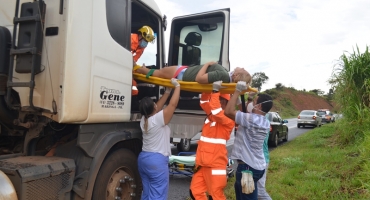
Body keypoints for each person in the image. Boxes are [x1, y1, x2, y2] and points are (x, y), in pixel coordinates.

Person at [224, 81, 273, 200]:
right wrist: (250, 99)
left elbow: (228, 111)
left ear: (259, 106)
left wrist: (237, 91)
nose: (252, 104)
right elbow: (246, 112)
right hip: (257, 167)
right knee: (246, 195)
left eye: (255, 102)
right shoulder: (264, 121)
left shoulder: (251, 120)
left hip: (248, 169)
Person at [189, 81, 235, 200]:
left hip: (216, 165)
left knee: (216, 195)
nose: (217, 102)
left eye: (220, 100)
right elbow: (204, 102)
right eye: (217, 99)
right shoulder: (212, 117)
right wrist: (206, 89)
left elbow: (216, 111)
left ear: (226, 103)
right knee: (195, 192)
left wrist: (215, 91)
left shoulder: (228, 119)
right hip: (202, 163)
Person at [137, 78, 180, 200]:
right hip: (156, 162)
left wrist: (167, 92)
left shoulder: (144, 120)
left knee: (147, 194)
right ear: (154, 108)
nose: (157, 104)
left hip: (143, 160)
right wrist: (177, 87)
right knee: (158, 195)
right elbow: (173, 104)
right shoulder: (157, 120)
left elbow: (157, 107)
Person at [135, 61, 252, 85]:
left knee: (159, 72)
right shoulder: (226, 75)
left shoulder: (223, 75)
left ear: (236, 75)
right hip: (184, 72)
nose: (241, 67)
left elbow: (199, 79)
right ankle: (143, 69)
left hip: (183, 73)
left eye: (242, 69)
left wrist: (207, 64)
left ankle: (139, 69)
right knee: (159, 72)